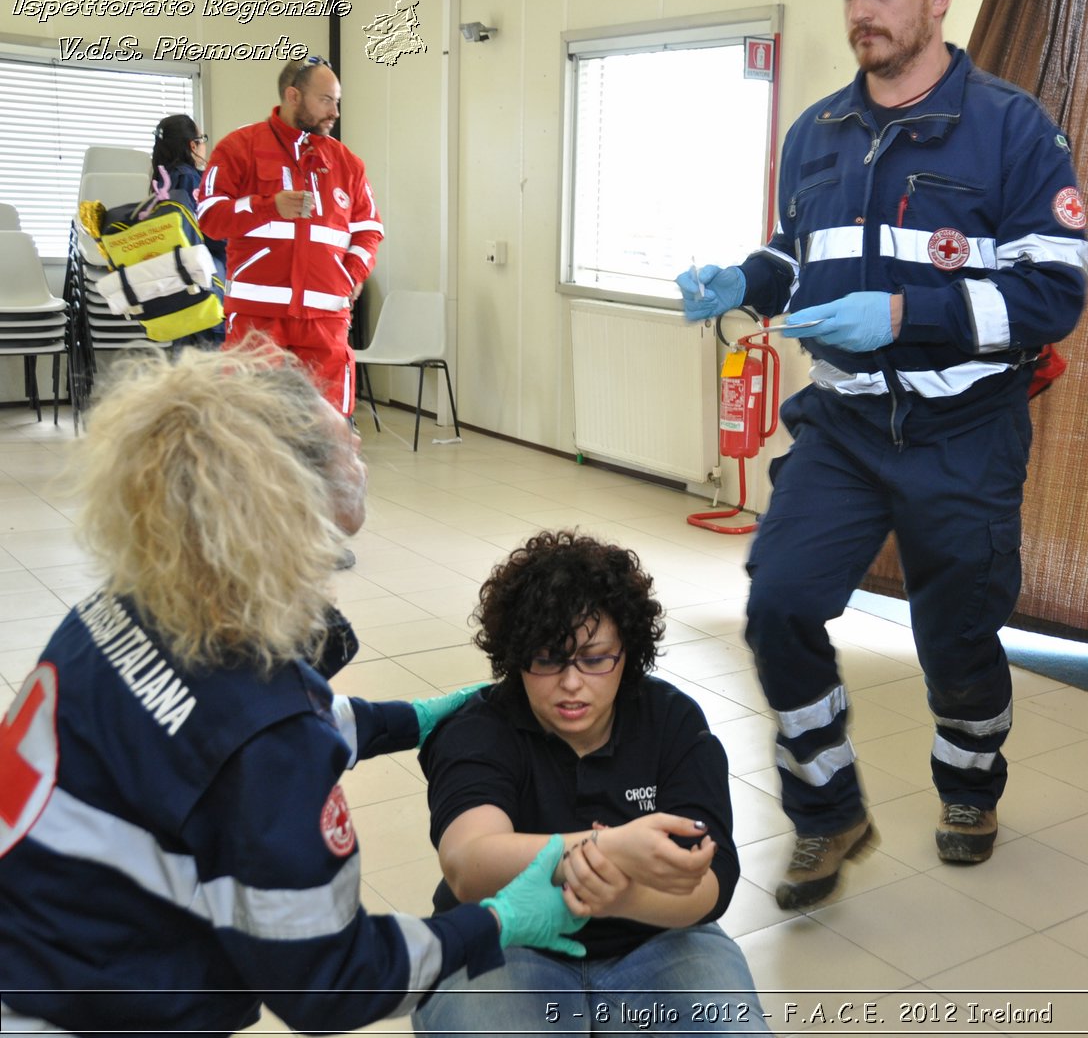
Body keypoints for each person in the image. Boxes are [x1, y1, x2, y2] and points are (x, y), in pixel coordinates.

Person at [0, 345, 586, 1035]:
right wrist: (494, 921)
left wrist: (410, 720)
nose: (357, 433)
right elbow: (329, 982)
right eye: (338, 430)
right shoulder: (266, 740)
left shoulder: (127, 605)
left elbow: (202, 744)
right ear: (286, 496)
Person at [677, 0, 1088, 909]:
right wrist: (741, 276)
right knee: (778, 601)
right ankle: (827, 810)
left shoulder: (1012, 129)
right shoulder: (814, 131)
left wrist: (909, 310)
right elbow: (794, 254)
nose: (863, 8)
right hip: (848, 423)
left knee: (956, 635)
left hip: (966, 428)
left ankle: (970, 790)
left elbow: (1055, 292)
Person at [412, 530, 768, 1036]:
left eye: (596, 659)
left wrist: (620, 899)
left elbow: (711, 883)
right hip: (503, 936)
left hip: (656, 936)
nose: (572, 682)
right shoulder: (479, 728)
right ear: (515, 658)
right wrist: (611, 848)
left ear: (629, 653)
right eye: (547, 658)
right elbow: (469, 865)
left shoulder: (670, 721)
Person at [196, 56, 382, 416]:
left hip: (325, 320)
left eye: (337, 101)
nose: (335, 112)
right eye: (326, 100)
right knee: (250, 426)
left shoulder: (347, 163)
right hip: (256, 319)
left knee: (327, 430)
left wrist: (351, 276)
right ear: (293, 96)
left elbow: (369, 230)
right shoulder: (239, 148)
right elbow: (210, 218)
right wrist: (268, 206)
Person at [150, 113, 227, 349]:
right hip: (205, 282)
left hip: (177, 288)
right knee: (209, 369)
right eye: (202, 139)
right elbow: (210, 230)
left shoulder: (161, 184)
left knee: (185, 367)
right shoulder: (190, 180)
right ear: (192, 145)